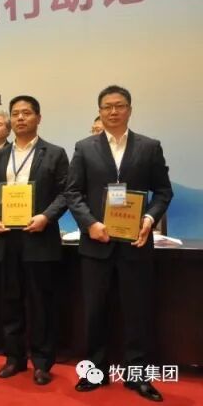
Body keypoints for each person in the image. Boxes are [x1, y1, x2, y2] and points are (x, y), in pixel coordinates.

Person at [66, 85, 172, 402]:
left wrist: (149, 219)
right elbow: (73, 192)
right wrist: (91, 224)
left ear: (129, 109)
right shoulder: (84, 148)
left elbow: (163, 192)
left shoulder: (149, 147)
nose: (113, 111)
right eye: (107, 106)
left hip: (135, 245)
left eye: (120, 105)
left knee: (137, 313)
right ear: (99, 111)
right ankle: (95, 372)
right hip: (96, 244)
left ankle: (137, 376)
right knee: (95, 311)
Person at [0, 96, 69, 385]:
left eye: (26, 113)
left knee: (40, 303)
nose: (20, 118)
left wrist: (46, 216)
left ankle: (42, 362)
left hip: (39, 237)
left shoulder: (55, 153)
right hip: (8, 239)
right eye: (15, 113)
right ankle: (14, 358)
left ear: (38, 118)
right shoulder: (0, 156)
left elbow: (66, 193)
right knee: (10, 302)